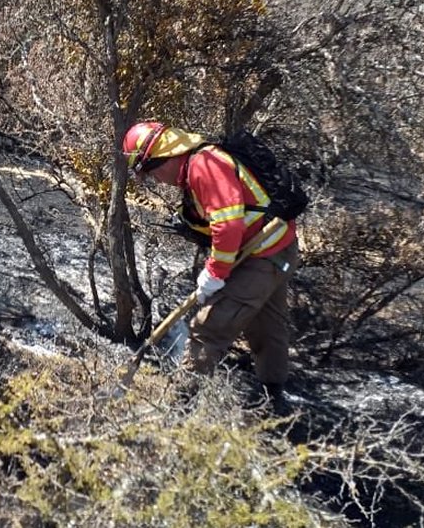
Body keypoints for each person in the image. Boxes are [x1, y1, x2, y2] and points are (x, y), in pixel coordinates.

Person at [122, 121, 299, 413]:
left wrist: (215, 273)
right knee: (267, 326)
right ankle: (275, 402)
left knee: (209, 328)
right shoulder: (201, 163)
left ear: (162, 159)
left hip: (265, 254)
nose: (155, 179)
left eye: (151, 172)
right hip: (278, 248)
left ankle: (179, 406)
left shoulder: (203, 166)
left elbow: (228, 225)